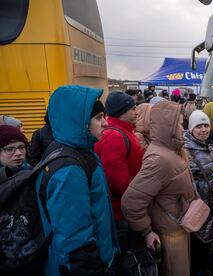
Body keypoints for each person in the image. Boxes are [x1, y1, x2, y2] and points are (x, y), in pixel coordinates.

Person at [35, 85, 119, 275]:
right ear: (80, 122)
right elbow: (74, 240)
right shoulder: (69, 168)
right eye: (98, 118)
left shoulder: (79, 150)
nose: (105, 123)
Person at [122, 101, 195, 276]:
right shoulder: (159, 159)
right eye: (178, 122)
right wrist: (146, 230)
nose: (182, 127)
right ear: (167, 126)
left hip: (177, 228)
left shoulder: (169, 151)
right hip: (170, 236)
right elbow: (131, 202)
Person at [94, 91, 144, 262]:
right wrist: (140, 198)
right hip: (120, 214)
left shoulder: (122, 131)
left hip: (125, 210)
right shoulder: (114, 136)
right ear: (122, 111)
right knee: (124, 260)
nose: (137, 112)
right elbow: (117, 182)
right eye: (133, 108)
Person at [183, 110, 213, 275]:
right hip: (198, 206)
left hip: (211, 204)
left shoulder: (209, 145)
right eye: (198, 126)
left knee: (205, 246)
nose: (203, 129)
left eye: (206, 125)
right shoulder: (186, 150)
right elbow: (188, 180)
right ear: (191, 129)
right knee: (197, 247)